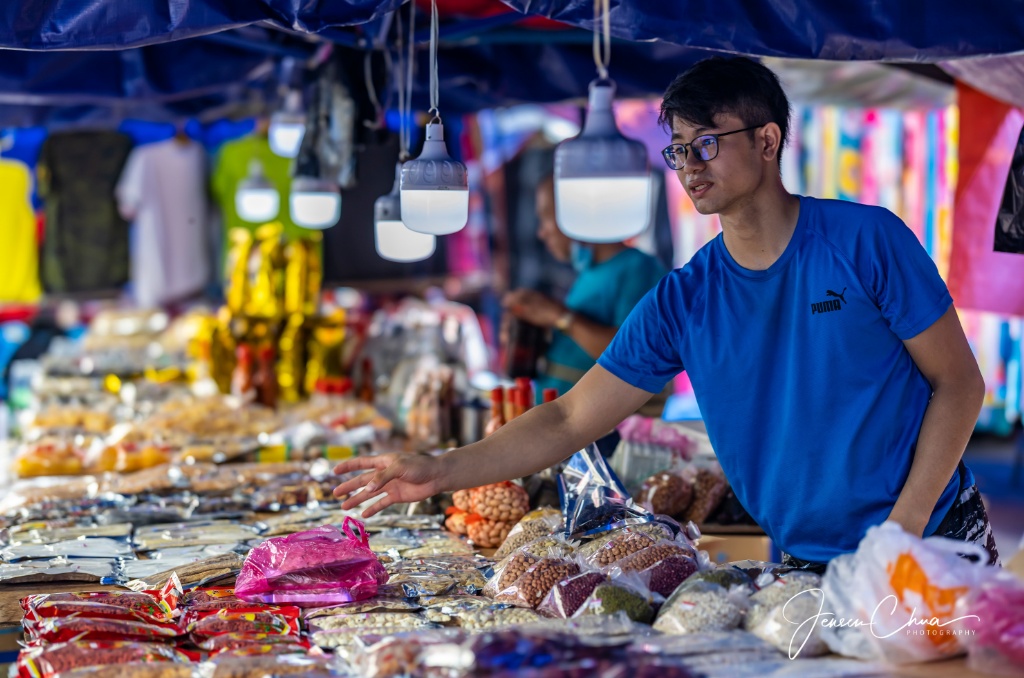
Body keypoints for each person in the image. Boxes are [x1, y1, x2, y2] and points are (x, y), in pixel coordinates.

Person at [333, 57, 999, 572]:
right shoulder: (686, 297)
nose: (687, 164)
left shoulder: (865, 242)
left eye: (707, 142)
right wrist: (442, 469)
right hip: (805, 560)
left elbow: (960, 384)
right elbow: (568, 418)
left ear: (767, 141)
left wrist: (903, 529)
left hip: (930, 538)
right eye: (678, 148)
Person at [503, 174, 669, 443]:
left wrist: (559, 316)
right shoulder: (590, 272)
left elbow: (635, 355)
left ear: (576, 215)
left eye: (547, 218)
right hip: (560, 432)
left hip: (605, 438)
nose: (541, 231)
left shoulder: (638, 268)